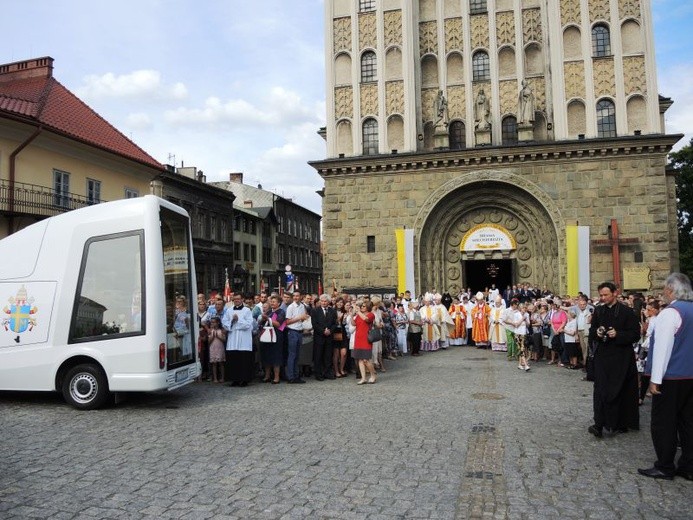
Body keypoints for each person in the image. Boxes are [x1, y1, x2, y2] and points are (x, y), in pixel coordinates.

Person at [638, 273, 693, 480]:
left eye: (664, 289)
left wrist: (655, 380)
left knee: (664, 422)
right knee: (688, 421)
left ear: (671, 290)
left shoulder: (670, 313)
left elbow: (662, 348)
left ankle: (665, 465)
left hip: (671, 377)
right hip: (690, 376)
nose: (662, 293)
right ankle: (688, 465)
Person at [587, 282, 641, 438]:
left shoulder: (627, 312)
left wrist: (618, 334)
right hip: (603, 356)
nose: (603, 298)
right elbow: (592, 331)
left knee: (619, 390)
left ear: (615, 293)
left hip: (621, 357)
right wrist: (597, 332)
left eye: (606, 295)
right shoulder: (599, 310)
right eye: (601, 295)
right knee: (601, 389)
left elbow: (635, 335)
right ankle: (599, 423)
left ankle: (619, 423)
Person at [222, 293, 255, 387]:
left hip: (244, 339)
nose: (236, 300)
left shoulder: (247, 310)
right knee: (233, 359)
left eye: (238, 299)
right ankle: (234, 379)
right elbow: (224, 323)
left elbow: (249, 324)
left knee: (244, 360)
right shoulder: (229, 310)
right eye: (235, 299)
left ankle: (244, 380)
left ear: (242, 300)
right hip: (233, 338)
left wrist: (238, 320)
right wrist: (232, 321)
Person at [258, 296, 285, 384]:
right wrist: (262, 318)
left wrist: (268, 318)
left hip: (276, 336)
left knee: (276, 357)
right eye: (271, 301)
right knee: (266, 356)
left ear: (279, 303)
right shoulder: (268, 311)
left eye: (274, 302)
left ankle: (276, 377)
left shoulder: (281, 312)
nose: (272, 303)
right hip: (266, 336)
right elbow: (261, 323)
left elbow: (278, 324)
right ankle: (267, 376)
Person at [310, 294, 338, 380]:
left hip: (329, 337)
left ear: (328, 302)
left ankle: (328, 373)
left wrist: (330, 330)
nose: (323, 303)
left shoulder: (332, 311)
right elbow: (314, 324)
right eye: (322, 301)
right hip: (319, 337)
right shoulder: (315, 311)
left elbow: (335, 323)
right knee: (318, 356)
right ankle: (318, 374)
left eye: (325, 301)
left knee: (328, 355)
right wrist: (323, 331)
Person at [285, 290, 309, 384]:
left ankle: (296, 375)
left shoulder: (302, 306)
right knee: (292, 355)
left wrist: (304, 319)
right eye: (294, 296)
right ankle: (291, 376)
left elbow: (303, 319)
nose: (295, 298)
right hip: (292, 331)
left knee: (297, 355)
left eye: (297, 296)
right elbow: (287, 322)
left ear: (301, 297)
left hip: (300, 331)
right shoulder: (290, 307)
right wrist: (299, 318)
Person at [353, 301, 377, 384]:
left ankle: (373, 375)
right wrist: (351, 314)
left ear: (368, 307)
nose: (362, 307)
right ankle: (363, 378)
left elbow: (366, 319)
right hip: (358, 339)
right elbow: (353, 323)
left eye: (363, 306)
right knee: (360, 359)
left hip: (366, 339)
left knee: (366, 360)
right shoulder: (359, 315)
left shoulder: (371, 314)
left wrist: (358, 312)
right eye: (361, 306)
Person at [207, 316, 226, 383]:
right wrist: (212, 337)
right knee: (214, 364)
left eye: (214, 322)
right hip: (213, 348)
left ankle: (222, 377)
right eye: (211, 322)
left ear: (218, 323)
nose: (212, 324)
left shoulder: (221, 330)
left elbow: (224, 340)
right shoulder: (210, 331)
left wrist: (218, 336)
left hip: (220, 348)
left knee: (221, 363)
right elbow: (208, 341)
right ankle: (215, 378)